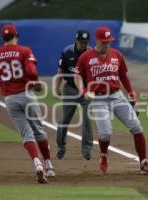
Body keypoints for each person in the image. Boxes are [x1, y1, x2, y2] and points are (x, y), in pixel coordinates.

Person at [74, 26, 148, 174]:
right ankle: (104, 154)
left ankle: (144, 162)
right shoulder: (85, 57)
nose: (107, 44)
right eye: (104, 41)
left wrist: (132, 97)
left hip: (117, 96)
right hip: (99, 99)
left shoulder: (116, 55)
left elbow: (124, 77)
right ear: (97, 40)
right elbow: (77, 76)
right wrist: (83, 91)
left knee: (136, 127)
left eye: (109, 41)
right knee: (105, 134)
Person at [0, 23, 55, 184]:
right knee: (38, 130)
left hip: (10, 99)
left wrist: (4, 84)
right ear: (16, 36)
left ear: (2, 38)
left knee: (26, 134)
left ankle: (37, 164)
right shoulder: (24, 51)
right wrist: (35, 82)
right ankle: (49, 166)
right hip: (26, 94)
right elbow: (31, 71)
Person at [55, 30, 93, 160]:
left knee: (87, 119)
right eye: (81, 42)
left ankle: (86, 149)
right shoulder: (67, 51)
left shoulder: (91, 53)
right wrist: (56, 88)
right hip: (70, 89)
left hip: (86, 91)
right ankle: (61, 146)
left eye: (86, 43)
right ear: (76, 40)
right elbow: (60, 71)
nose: (83, 45)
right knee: (65, 119)